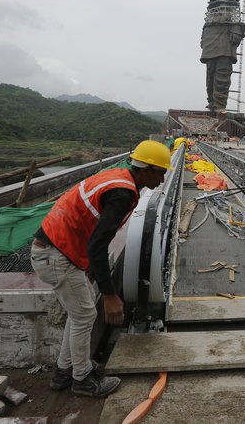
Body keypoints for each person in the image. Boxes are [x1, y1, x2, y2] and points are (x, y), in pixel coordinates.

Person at [30, 140, 172, 398]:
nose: (162, 179)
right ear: (146, 169)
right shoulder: (123, 193)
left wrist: (92, 268)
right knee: (85, 315)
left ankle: (65, 371)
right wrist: (109, 295)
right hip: (56, 254)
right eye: (160, 172)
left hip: (58, 250)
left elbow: (95, 237)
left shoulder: (120, 179)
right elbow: (98, 244)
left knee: (78, 315)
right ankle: (82, 380)